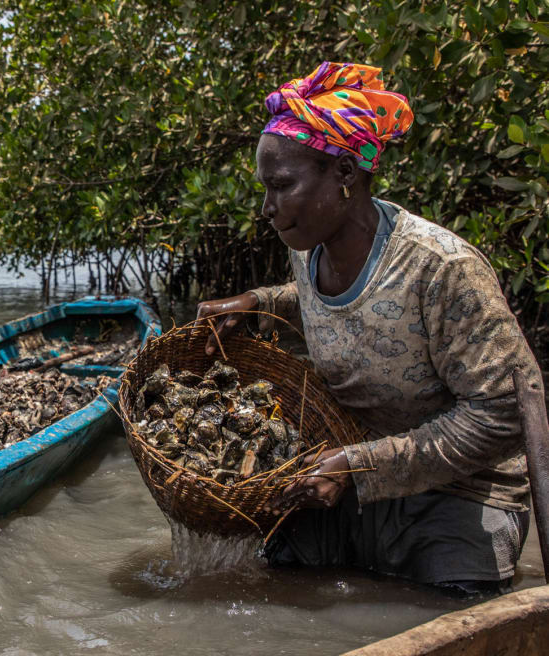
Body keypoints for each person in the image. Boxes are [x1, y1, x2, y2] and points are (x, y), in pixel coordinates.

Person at [196, 62, 542, 596]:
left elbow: (505, 413)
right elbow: (332, 304)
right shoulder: (307, 251)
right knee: (270, 582)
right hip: (349, 477)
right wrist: (257, 303)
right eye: (266, 189)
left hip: (464, 495)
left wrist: (360, 465)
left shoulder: (440, 268)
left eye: (282, 186)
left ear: (346, 176)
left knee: (451, 610)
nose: (268, 208)